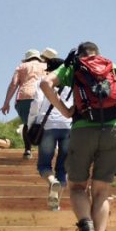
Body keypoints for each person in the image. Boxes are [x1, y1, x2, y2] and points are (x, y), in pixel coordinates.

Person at [39, 41, 116, 231]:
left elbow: (45, 83)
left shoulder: (73, 67)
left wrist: (65, 110)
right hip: (113, 129)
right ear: (98, 54)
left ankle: (86, 226)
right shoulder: (114, 68)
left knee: (77, 187)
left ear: (81, 54)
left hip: (83, 129)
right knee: (102, 191)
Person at [27, 53, 72, 210]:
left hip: (48, 127)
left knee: (44, 165)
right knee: (63, 168)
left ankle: (52, 181)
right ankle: (55, 205)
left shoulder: (44, 82)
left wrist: (31, 123)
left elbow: (36, 103)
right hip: (68, 128)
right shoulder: (72, 84)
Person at [1, 49, 47, 159]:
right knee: (43, 124)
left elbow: (13, 84)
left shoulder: (21, 66)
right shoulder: (45, 66)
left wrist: (6, 103)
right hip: (41, 97)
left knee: (27, 123)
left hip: (23, 98)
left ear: (27, 58)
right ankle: (43, 151)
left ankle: (27, 150)